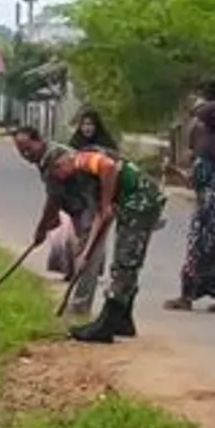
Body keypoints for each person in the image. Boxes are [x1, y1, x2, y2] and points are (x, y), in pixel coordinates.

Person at [13, 125, 165, 343]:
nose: (58, 178)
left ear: (61, 163)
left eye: (58, 174)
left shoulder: (78, 160)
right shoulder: (66, 170)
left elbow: (109, 166)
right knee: (128, 261)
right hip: (132, 202)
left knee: (125, 262)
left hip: (141, 199)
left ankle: (108, 323)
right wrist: (88, 244)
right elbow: (98, 217)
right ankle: (123, 320)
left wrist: (105, 205)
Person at [163, 91, 215, 313]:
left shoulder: (207, 148)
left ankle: (187, 296)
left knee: (198, 252)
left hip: (209, 213)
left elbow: (196, 180)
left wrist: (174, 171)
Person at [64, 107, 118, 315]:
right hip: (81, 202)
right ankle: (80, 277)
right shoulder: (74, 146)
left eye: (90, 124)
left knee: (92, 247)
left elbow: (115, 165)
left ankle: (81, 301)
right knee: (81, 244)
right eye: (84, 124)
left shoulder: (105, 147)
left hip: (101, 202)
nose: (87, 128)